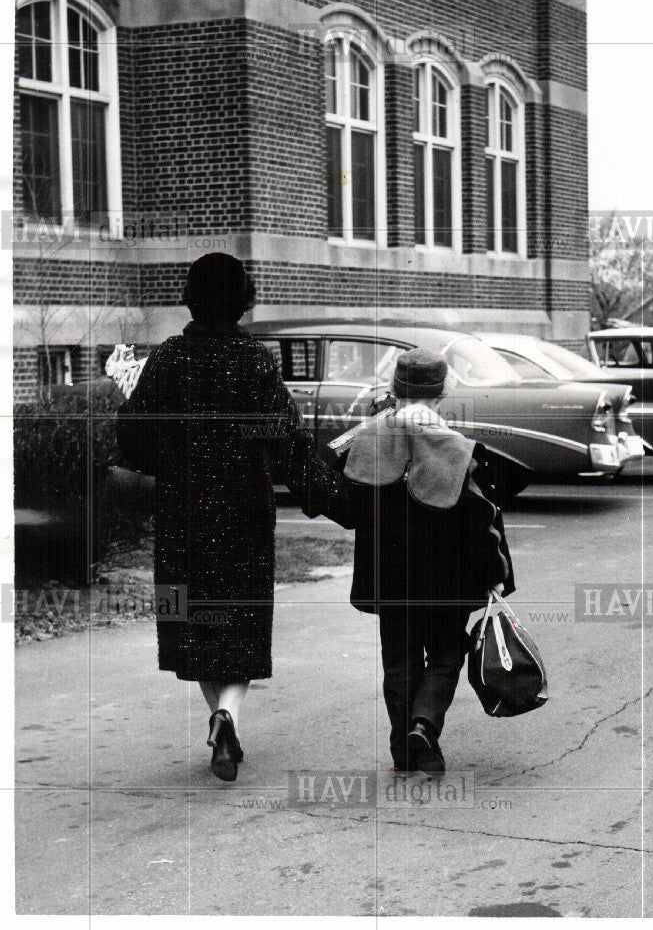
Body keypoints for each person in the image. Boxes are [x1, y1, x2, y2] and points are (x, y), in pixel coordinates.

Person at [115, 253, 347, 782]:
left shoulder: (168, 360)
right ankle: (228, 717)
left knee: (194, 626)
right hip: (243, 514)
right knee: (241, 627)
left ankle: (217, 719)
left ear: (190, 296)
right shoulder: (257, 361)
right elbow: (288, 443)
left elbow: (136, 446)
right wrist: (334, 498)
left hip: (183, 515)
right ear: (243, 300)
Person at [342, 348, 515, 772]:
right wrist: (497, 575)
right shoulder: (458, 450)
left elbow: (344, 506)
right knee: (445, 652)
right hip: (447, 576)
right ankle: (424, 725)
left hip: (389, 574)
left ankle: (404, 747)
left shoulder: (367, 442)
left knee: (399, 659)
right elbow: (484, 519)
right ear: (440, 397)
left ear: (395, 391)